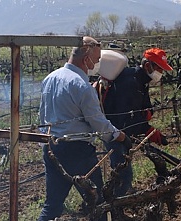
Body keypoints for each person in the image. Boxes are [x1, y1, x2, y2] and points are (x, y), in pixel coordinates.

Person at [38, 36, 132, 221]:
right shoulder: (81, 85)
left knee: (52, 206)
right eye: (96, 60)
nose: (97, 63)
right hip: (77, 151)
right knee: (98, 205)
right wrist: (119, 136)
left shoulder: (50, 78)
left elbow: (42, 115)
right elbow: (97, 122)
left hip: (51, 148)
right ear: (86, 57)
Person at [95, 48, 173, 197]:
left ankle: (120, 196)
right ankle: (114, 204)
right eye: (159, 68)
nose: (161, 73)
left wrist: (148, 113)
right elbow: (124, 118)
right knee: (123, 173)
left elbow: (144, 106)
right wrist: (147, 129)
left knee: (124, 170)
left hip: (123, 130)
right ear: (147, 65)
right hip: (114, 131)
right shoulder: (130, 82)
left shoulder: (142, 80)